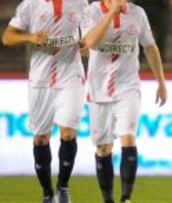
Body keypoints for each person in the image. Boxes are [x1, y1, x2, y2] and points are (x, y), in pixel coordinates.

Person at [81, 0, 167, 202]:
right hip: (98, 89)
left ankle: (126, 198)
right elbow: (89, 42)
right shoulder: (90, 12)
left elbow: (150, 46)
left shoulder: (137, 13)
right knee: (103, 148)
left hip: (128, 87)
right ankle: (108, 200)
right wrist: (111, 13)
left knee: (128, 138)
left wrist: (161, 82)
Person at [2, 0, 88, 202]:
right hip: (41, 80)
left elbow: (91, 31)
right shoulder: (30, 5)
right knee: (41, 138)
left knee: (68, 133)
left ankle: (63, 187)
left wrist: (88, 44)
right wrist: (31, 37)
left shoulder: (80, 3)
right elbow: (7, 37)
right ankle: (48, 192)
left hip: (71, 76)